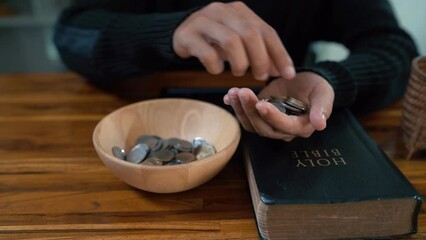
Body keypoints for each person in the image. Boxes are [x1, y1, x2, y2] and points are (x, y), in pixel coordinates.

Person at [53, 0, 418, 141]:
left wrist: (329, 79)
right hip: (142, 114)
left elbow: (395, 48)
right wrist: (169, 31)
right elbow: (71, 32)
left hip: (285, 112)